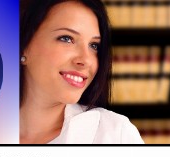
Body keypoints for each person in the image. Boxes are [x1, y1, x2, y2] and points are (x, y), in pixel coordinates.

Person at [20, 0, 144, 144]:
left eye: (94, 45)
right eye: (66, 38)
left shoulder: (115, 134)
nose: (86, 60)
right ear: (23, 46)